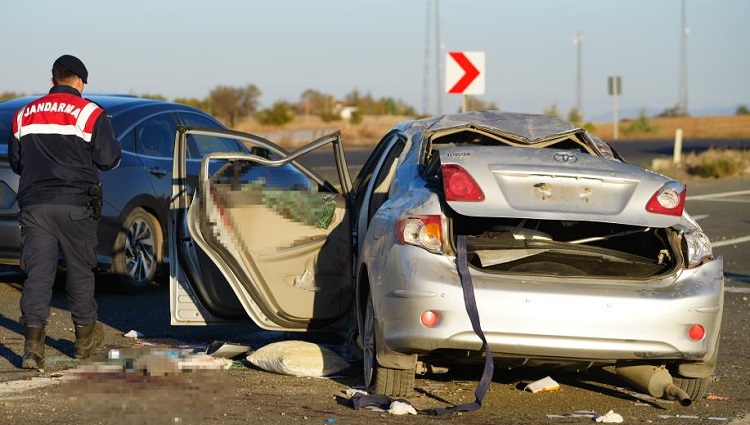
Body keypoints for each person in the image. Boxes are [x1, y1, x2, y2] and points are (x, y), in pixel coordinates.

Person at [8, 54, 122, 369]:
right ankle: (84, 340)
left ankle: (32, 348)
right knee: (79, 271)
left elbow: (18, 162)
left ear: (52, 80)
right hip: (76, 205)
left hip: (35, 206)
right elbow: (109, 160)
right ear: (80, 82)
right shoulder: (90, 113)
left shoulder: (24, 114)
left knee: (38, 275)